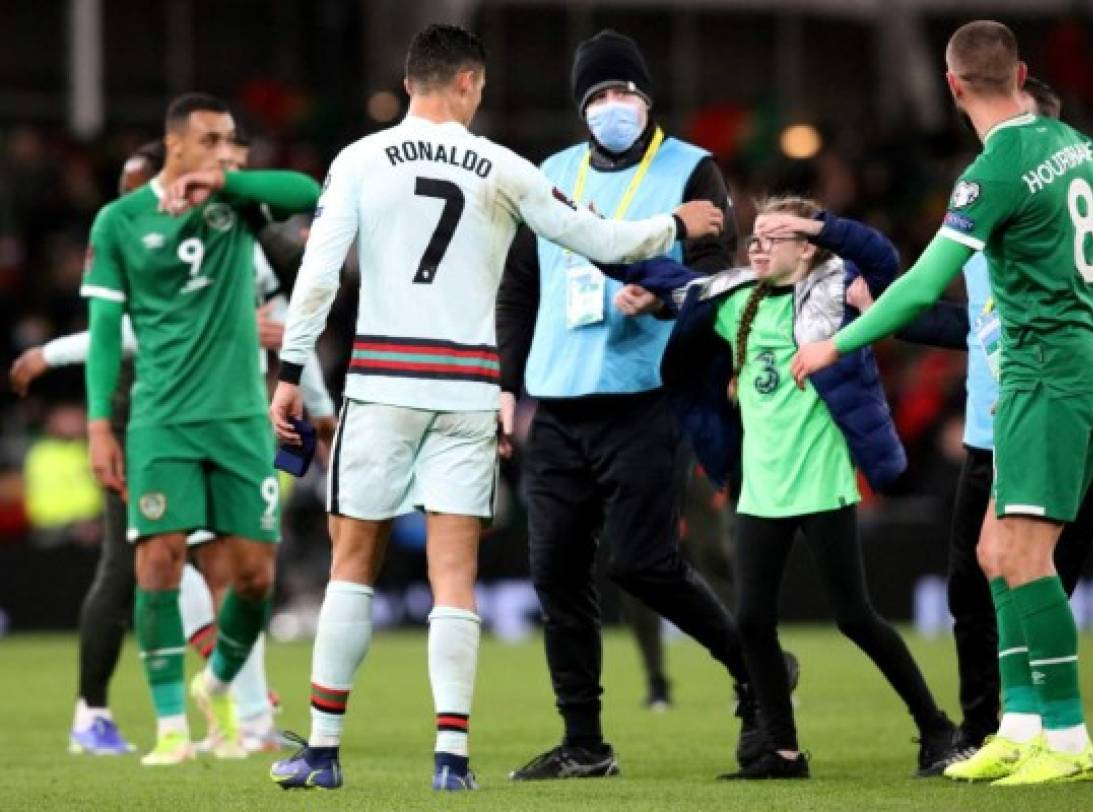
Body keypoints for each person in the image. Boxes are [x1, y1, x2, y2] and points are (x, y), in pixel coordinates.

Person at [265, 24, 723, 793]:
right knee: (455, 575)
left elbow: (317, 279)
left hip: (382, 379)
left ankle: (323, 748)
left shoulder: (359, 159)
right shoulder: (503, 166)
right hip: (468, 389)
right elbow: (599, 239)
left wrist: (288, 373)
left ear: (410, 83)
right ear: (472, 85)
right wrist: (676, 224)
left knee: (352, 566)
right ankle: (451, 760)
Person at [790, 20, 1093, 785]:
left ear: (954, 87)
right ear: (1020, 73)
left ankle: (1069, 737)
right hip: (1071, 362)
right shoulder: (1072, 145)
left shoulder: (991, 173)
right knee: (995, 552)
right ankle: (1018, 727)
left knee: (1025, 555)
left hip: (1049, 368)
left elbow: (922, 287)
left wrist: (835, 344)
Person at [496, 29, 775, 781]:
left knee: (645, 564)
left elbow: (719, 275)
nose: (615, 106)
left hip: (646, 394)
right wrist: (505, 385)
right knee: (556, 573)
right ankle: (584, 743)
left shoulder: (691, 169)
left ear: (649, 102)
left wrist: (658, 299)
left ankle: (757, 667)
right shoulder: (548, 173)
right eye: (601, 95)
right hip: (557, 400)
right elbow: (521, 283)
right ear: (581, 106)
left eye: (628, 93)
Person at [599, 197, 957, 779]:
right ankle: (783, 752)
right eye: (755, 237)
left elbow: (881, 255)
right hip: (761, 493)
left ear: (808, 244)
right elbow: (655, 272)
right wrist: (584, 233)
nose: (757, 246)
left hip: (821, 486)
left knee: (856, 618)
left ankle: (938, 730)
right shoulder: (735, 295)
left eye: (775, 236)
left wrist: (822, 225)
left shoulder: (844, 296)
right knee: (752, 622)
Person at [10, 137, 328, 756]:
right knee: (145, 562)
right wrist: (54, 359)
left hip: (221, 420)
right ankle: (98, 711)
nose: (133, 199)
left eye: (141, 185)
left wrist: (312, 400)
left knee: (231, 569)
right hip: (146, 421)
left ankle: (241, 708)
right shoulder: (130, 241)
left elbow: (290, 325)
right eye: (127, 188)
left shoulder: (230, 239)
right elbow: (126, 332)